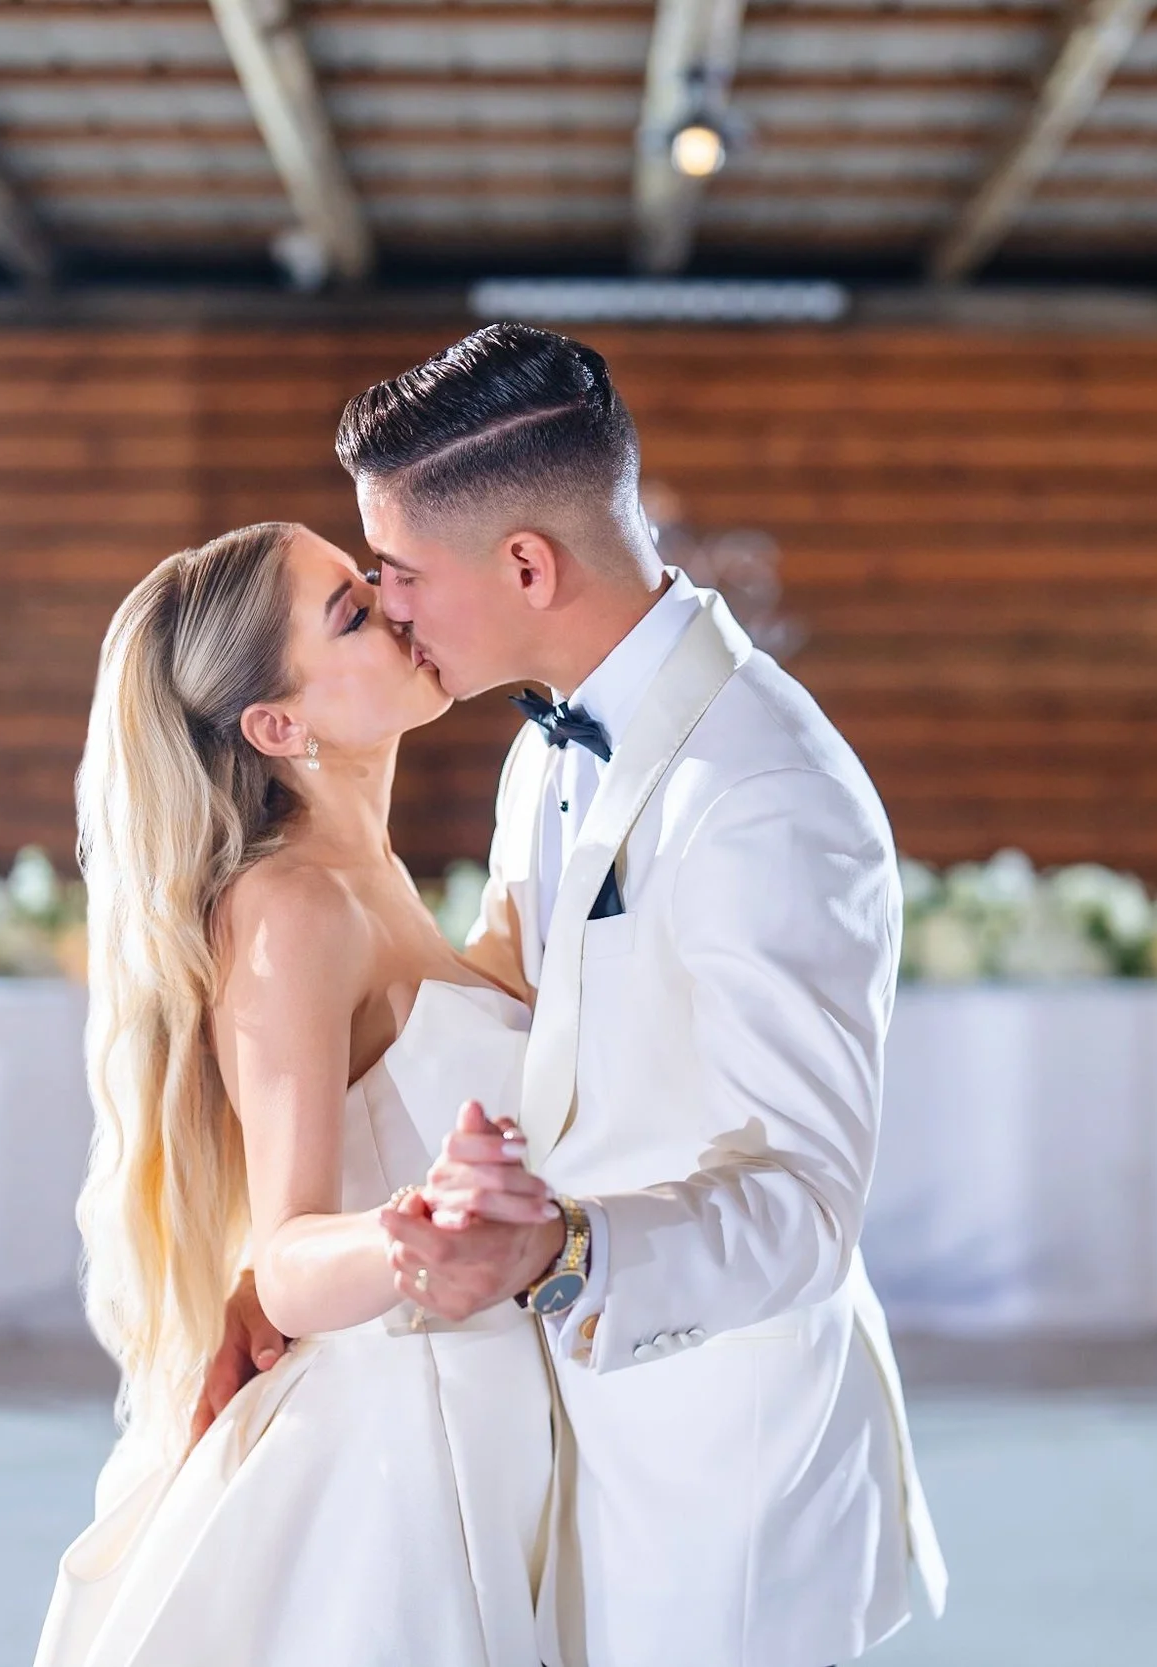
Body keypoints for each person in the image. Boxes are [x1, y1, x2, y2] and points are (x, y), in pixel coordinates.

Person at [199, 322, 947, 1665]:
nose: (396, 604)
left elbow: (806, 1204)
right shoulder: (543, 745)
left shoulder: (768, 792)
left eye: (401, 573)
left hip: (726, 1453)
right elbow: (500, 1009)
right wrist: (290, 1266)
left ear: (528, 563)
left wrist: (560, 1251)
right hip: (555, 1430)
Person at [34, 521, 554, 1667]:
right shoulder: (289, 908)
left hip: (501, 1405)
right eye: (354, 613)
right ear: (279, 724)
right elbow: (285, 1255)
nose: (398, 608)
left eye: (375, 585)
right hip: (401, 1447)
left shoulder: (374, 875)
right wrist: (415, 1232)